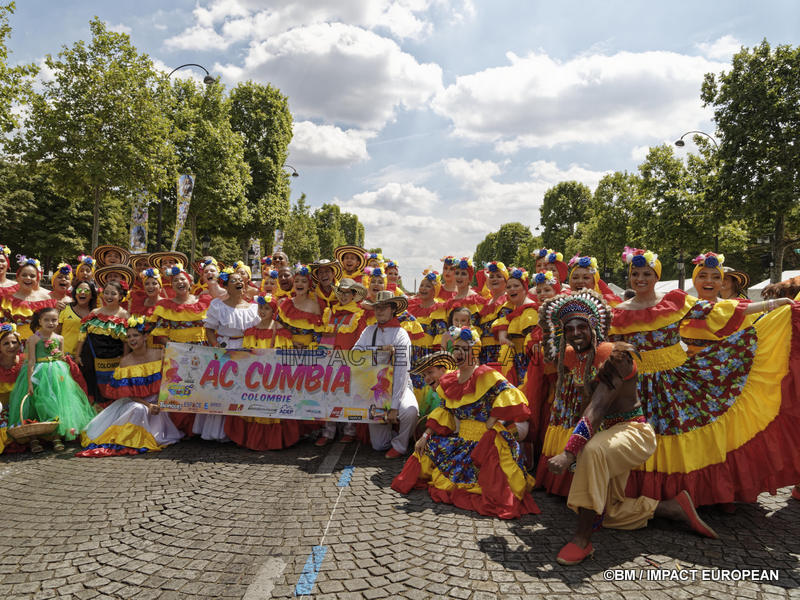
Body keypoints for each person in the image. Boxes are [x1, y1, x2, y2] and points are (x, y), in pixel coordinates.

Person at [608, 246, 799, 506]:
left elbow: (723, 311)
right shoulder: (617, 313)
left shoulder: (673, 301)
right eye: (635, 273)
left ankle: (685, 493)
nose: (640, 279)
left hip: (676, 381)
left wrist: (774, 304)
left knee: (679, 435)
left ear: (656, 277)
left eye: (647, 273)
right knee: (646, 434)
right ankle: (646, 493)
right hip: (638, 386)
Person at [543, 293, 718, 566]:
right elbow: (582, 403)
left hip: (633, 433)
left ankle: (581, 540)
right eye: (569, 329)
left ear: (595, 328)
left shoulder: (614, 356)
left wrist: (569, 452)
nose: (576, 334)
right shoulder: (575, 357)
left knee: (591, 451)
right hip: (606, 434)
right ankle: (671, 508)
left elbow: (597, 408)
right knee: (609, 513)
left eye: (581, 327)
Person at [391, 326, 539, 518]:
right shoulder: (452, 380)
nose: (459, 353)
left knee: (495, 484)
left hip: (488, 442)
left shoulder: (486, 375)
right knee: (428, 448)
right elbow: (444, 412)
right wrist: (425, 436)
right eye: (456, 349)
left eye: (465, 349)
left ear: (474, 351)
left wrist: (493, 418)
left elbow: (513, 396)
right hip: (463, 440)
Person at [77, 317, 183, 456]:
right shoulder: (126, 362)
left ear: (145, 337)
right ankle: (129, 439)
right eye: (128, 337)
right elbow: (129, 394)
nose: (132, 339)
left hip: (159, 402)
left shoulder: (159, 354)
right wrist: (148, 405)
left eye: (135, 335)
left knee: (158, 434)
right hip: (136, 402)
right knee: (137, 408)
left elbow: (170, 381)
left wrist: (160, 402)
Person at [8, 307, 95, 453]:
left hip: (57, 374)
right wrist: (29, 382)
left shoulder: (59, 338)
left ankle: (56, 436)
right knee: (36, 403)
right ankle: (33, 439)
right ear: (40, 321)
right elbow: (31, 362)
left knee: (57, 402)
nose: (51, 323)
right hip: (38, 374)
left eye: (54, 320)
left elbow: (60, 357)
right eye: (46, 320)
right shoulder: (34, 339)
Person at [355, 291, 419, 458]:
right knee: (379, 445)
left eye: (384, 308)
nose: (379, 311)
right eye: (377, 308)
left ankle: (401, 444)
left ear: (393, 310)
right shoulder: (369, 331)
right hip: (375, 389)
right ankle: (395, 436)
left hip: (400, 385)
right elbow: (355, 354)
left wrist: (395, 407)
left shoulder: (401, 335)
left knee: (410, 411)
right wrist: (378, 351)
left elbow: (401, 372)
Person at [230, 294, 298, 451]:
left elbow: (286, 355)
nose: (262, 311)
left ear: (273, 311)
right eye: (261, 307)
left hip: (274, 376)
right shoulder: (251, 331)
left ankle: (273, 440)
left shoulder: (281, 332)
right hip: (255, 377)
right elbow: (245, 354)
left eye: (267, 308)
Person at [203, 269, 261, 443]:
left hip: (246, 348)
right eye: (234, 280)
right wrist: (217, 348)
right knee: (223, 388)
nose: (239, 282)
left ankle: (242, 430)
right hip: (224, 348)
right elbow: (209, 329)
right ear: (226, 286)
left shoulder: (254, 307)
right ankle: (220, 430)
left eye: (241, 279)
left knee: (244, 389)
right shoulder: (217, 305)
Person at [317, 279, 369, 446]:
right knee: (328, 395)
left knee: (349, 395)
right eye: (341, 292)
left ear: (354, 295)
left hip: (348, 362)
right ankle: (328, 431)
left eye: (347, 292)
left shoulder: (358, 314)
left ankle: (349, 430)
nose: (344, 295)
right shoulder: (330, 312)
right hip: (328, 360)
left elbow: (361, 339)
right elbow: (323, 336)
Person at [75, 280, 130, 408]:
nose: (109, 296)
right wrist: (77, 355)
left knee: (110, 390)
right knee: (92, 388)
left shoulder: (125, 315)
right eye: (106, 293)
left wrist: (125, 358)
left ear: (120, 296)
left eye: (113, 294)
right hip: (91, 357)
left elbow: (126, 341)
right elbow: (82, 335)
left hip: (113, 360)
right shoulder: (94, 312)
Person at [148, 264, 211, 345]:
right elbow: (161, 334)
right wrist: (175, 348)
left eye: (182, 279)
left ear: (189, 283)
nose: (179, 282)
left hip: (203, 350)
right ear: (172, 285)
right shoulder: (166, 307)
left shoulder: (202, 302)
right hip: (177, 353)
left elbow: (213, 328)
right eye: (175, 280)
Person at [1, 257, 57, 342]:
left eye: (32, 276)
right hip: (14, 346)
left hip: (40, 346)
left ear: (37, 279)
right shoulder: (7, 299)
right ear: (18, 277)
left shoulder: (47, 300)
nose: (28, 278)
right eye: (24, 275)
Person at [276, 266, 323, 349]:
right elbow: (278, 329)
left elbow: (318, 333)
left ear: (309, 285)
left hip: (308, 351)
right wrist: (292, 343)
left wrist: (309, 347)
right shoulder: (285, 303)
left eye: (304, 281)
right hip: (287, 347)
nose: (299, 284)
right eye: (296, 281)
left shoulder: (315, 306)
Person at [476, 262, 511, 365]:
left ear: (506, 281)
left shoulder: (507, 301)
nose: (494, 279)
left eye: (499, 276)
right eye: (491, 276)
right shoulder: (485, 304)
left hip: (500, 352)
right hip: (483, 353)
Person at [0, 324, 24, 453]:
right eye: (6, 343)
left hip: (20, 408)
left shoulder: (25, 361)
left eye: (14, 342)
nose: (11, 346)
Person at [58, 281, 97, 356]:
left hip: (87, 358)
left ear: (92, 295)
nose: (82, 292)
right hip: (64, 356)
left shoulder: (96, 314)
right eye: (79, 290)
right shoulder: (65, 308)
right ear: (75, 294)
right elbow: (56, 333)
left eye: (86, 290)